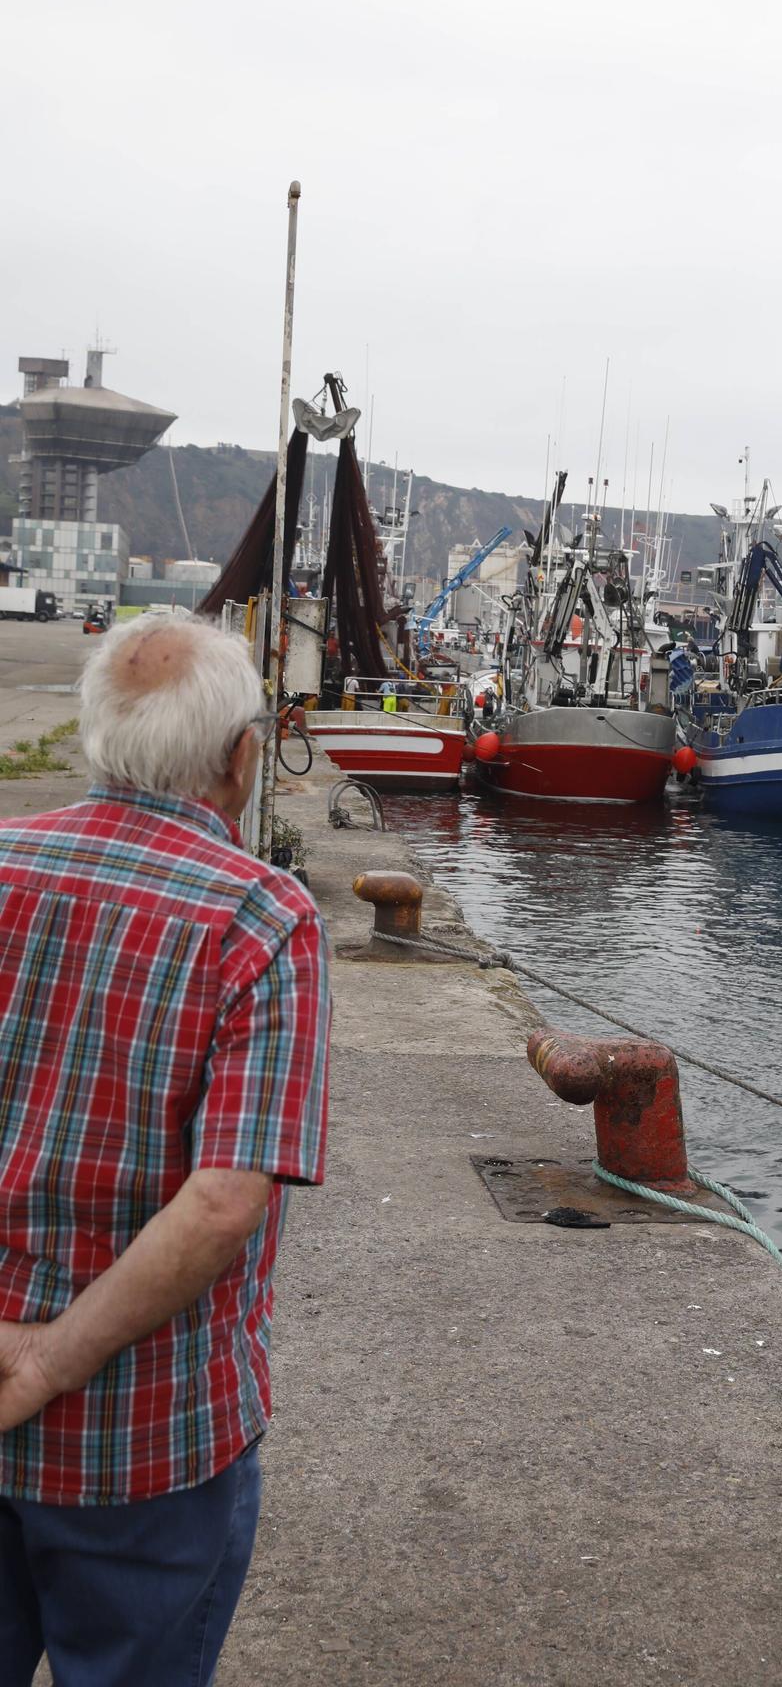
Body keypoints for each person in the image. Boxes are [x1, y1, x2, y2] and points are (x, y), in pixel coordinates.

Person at [0, 614, 331, 1686]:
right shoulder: (260, 915)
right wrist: (49, 1359)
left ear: (98, 733)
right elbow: (224, 1201)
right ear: (243, 756)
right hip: (144, 1439)